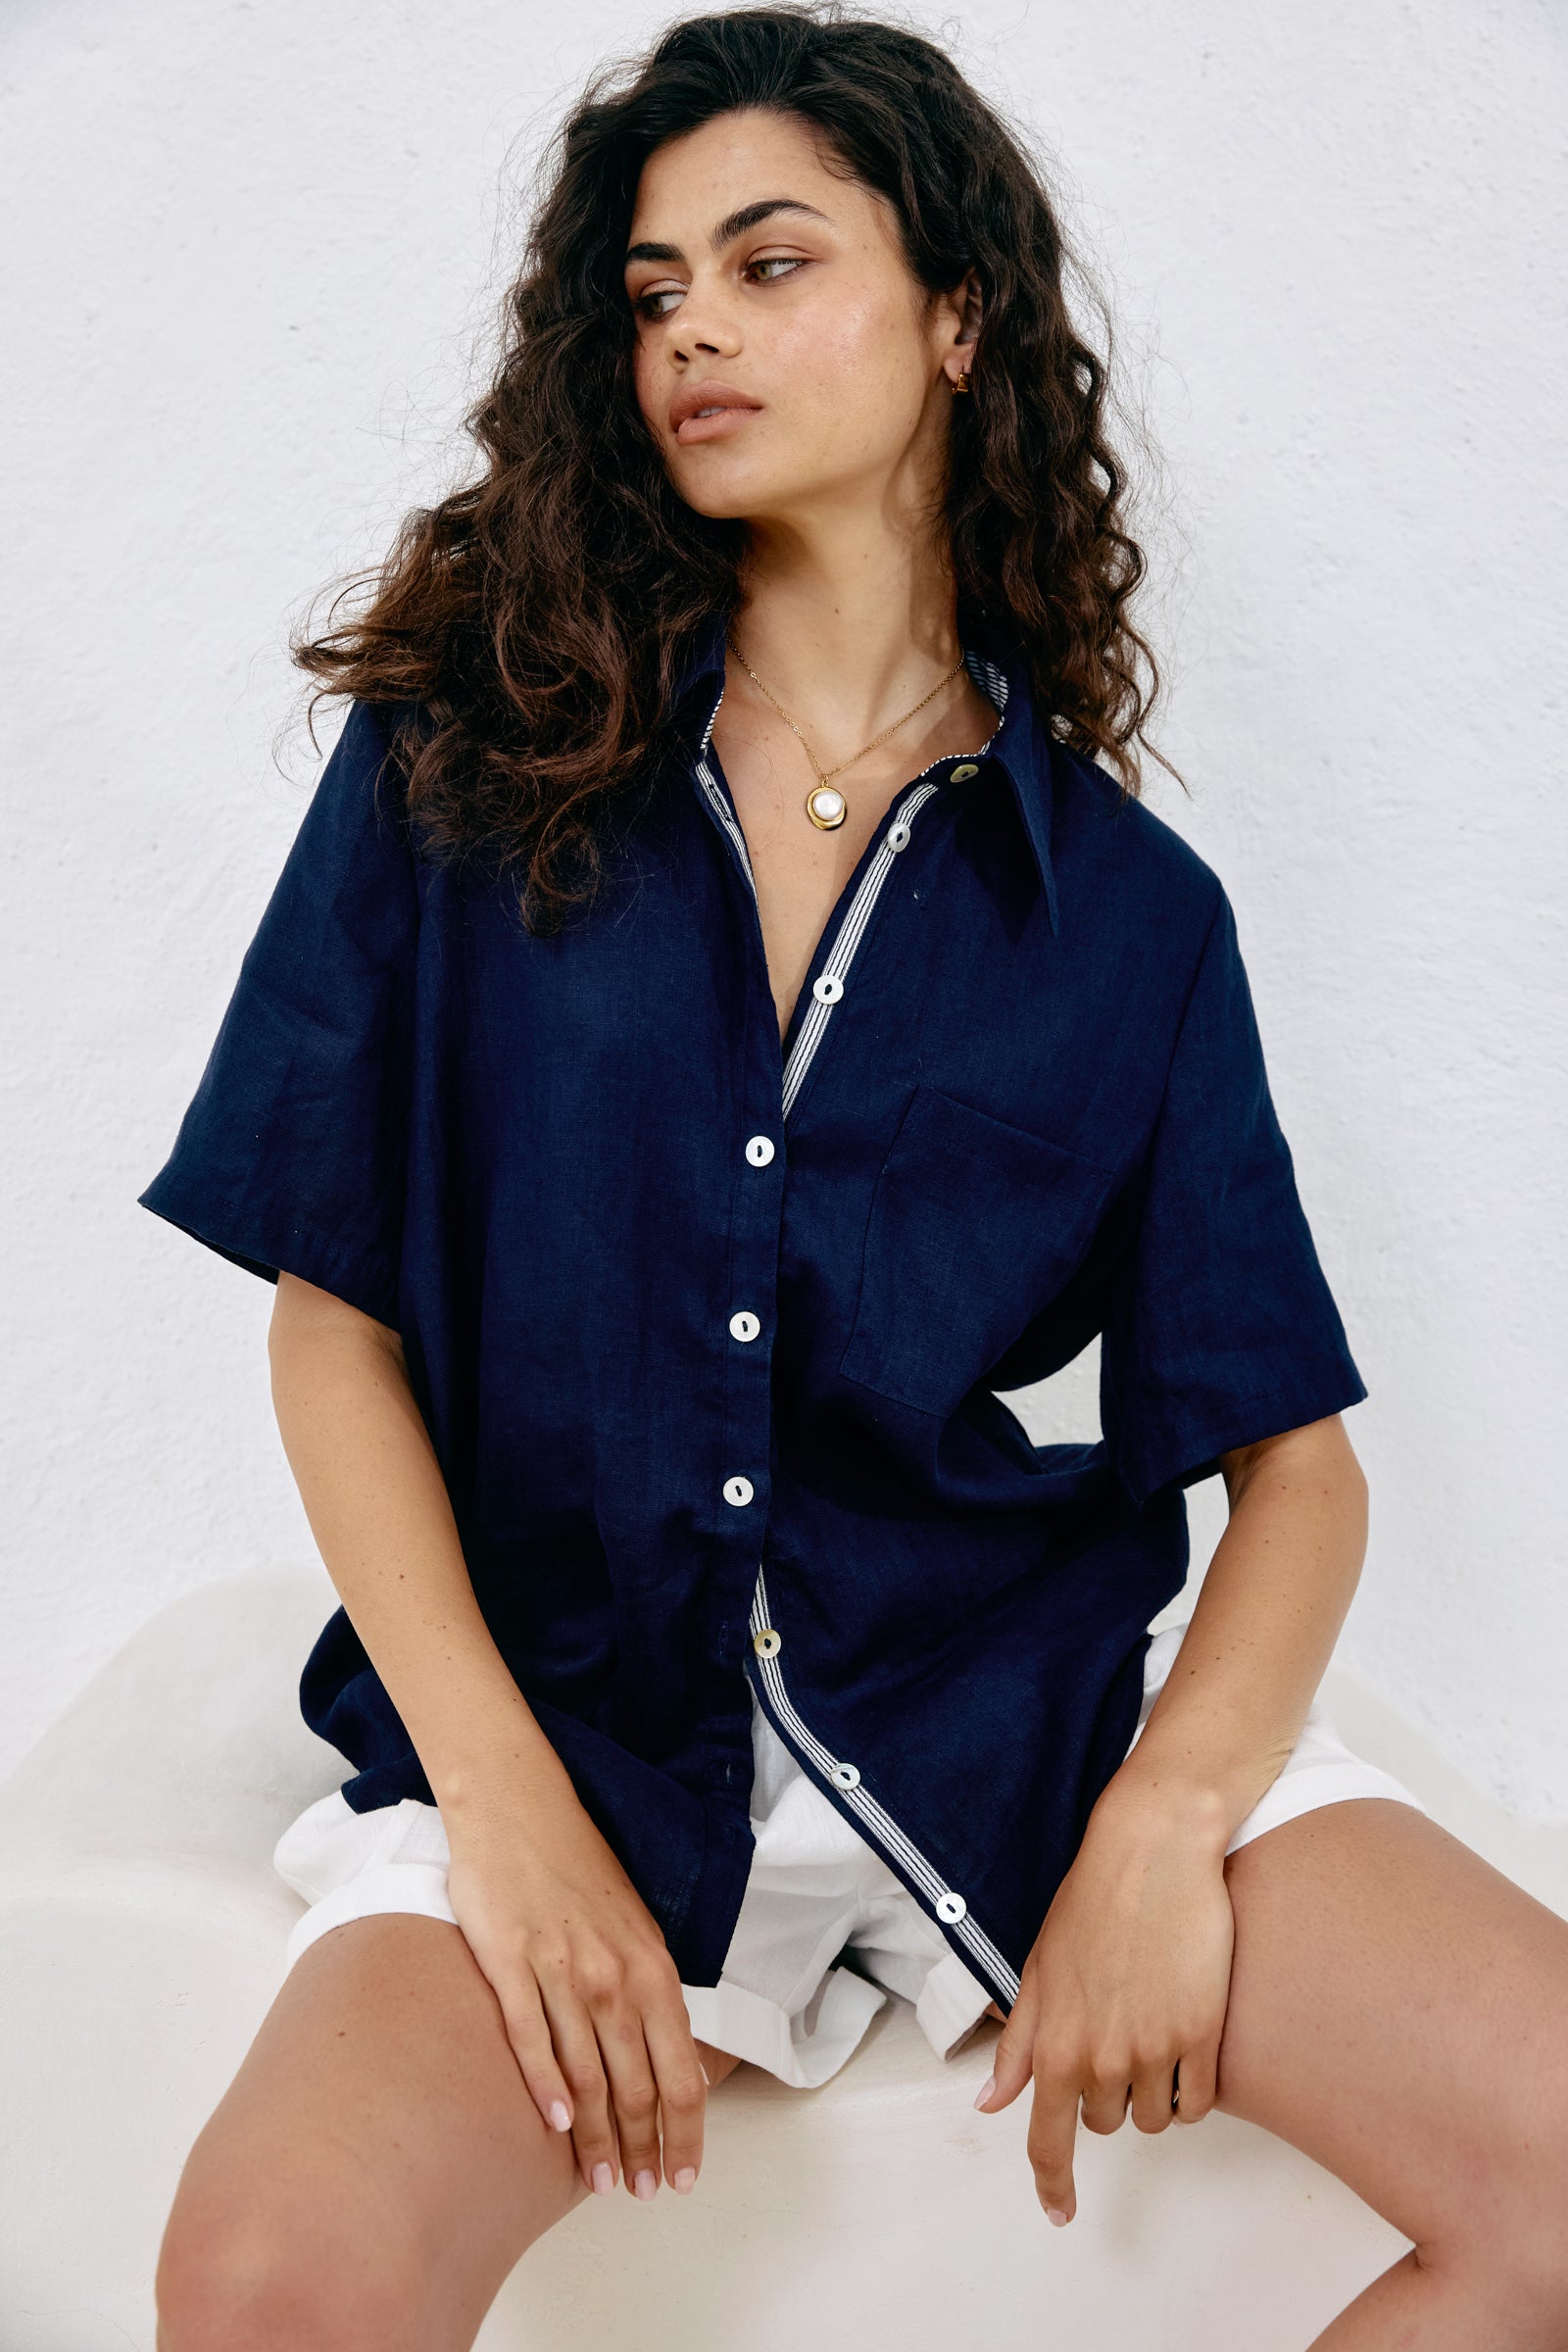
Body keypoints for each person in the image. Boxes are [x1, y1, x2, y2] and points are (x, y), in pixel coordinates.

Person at [142, 8, 1568, 2346]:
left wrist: (1156, 1828)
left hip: (1006, 1713)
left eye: (769, 260)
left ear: (955, 316)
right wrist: (500, 1807)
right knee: (267, 2281)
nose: (690, 328)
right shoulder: (468, 761)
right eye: (650, 291)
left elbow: (1294, 1473)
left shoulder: (1121, 917)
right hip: (574, 1726)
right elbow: (333, 1325)